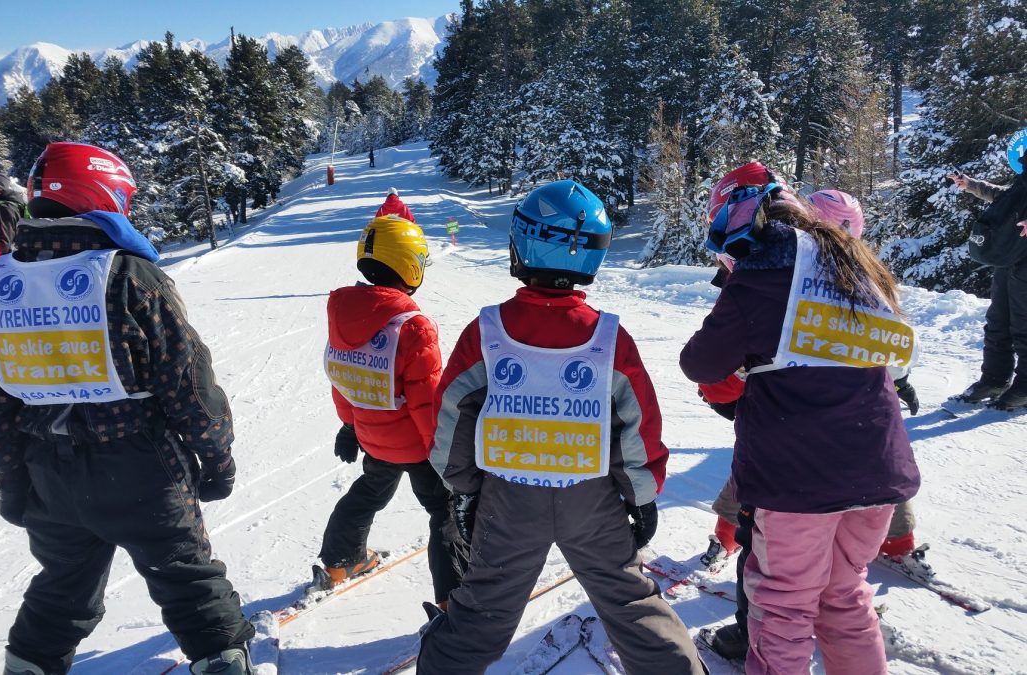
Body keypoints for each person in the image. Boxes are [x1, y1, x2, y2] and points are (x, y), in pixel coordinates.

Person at [0, 142, 256, 675]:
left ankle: (26, 667)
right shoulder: (125, 276)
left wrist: (13, 476)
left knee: (62, 585)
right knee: (187, 578)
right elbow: (189, 382)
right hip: (140, 463)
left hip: (49, 466)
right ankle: (223, 663)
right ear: (104, 193)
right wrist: (216, 459)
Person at [418, 180, 706, 674]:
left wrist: (463, 488)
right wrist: (640, 493)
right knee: (629, 599)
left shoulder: (487, 332)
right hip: (589, 501)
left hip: (508, 500)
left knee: (484, 608)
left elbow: (451, 420)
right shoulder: (609, 338)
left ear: (524, 243)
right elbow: (638, 427)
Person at [680, 162, 920, 675]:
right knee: (844, 596)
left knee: (784, 606)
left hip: (798, 480)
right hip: (877, 467)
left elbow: (700, 362)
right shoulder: (854, 263)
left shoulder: (761, 272)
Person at [320, 214, 467, 606]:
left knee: (370, 491)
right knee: (444, 511)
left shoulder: (340, 311)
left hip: (373, 434)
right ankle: (454, 599)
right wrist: (444, 454)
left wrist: (350, 426)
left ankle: (340, 560)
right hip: (418, 445)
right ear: (408, 263)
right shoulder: (412, 325)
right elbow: (426, 402)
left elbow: (345, 374)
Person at [948, 169, 1027, 410]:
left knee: (1024, 325)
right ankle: (994, 380)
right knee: (998, 322)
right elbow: (1009, 197)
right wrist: (973, 185)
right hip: (1012, 254)